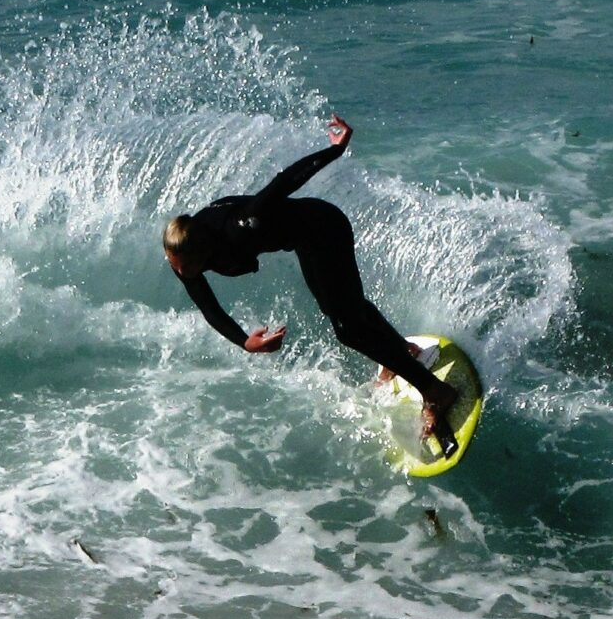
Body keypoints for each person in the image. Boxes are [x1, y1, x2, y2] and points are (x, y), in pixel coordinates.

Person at [163, 114, 459, 456]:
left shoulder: (243, 225)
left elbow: (284, 182)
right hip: (303, 240)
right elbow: (208, 307)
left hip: (325, 228)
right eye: (175, 267)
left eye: (185, 268)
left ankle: (435, 392)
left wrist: (334, 150)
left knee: (347, 327)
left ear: (204, 253)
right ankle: (400, 352)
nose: (181, 274)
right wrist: (246, 342)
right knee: (344, 308)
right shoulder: (181, 253)